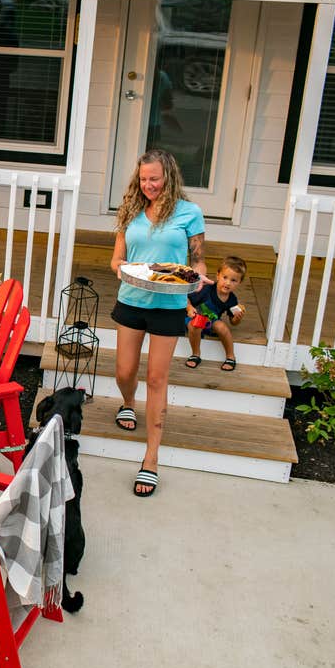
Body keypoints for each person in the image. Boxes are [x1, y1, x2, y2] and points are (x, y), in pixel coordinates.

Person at [110, 148, 208, 498]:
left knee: (156, 378)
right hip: (132, 298)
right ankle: (127, 402)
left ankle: (151, 457)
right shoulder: (130, 210)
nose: (148, 185)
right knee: (124, 372)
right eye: (143, 178)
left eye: (155, 178)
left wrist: (198, 280)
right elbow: (116, 260)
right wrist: (125, 270)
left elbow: (198, 262)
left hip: (168, 304)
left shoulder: (189, 213)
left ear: (169, 177)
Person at [185, 256, 247, 372]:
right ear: (218, 275)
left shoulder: (232, 299)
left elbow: (233, 322)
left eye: (233, 280)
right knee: (196, 324)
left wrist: (237, 318)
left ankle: (230, 356)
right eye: (225, 277)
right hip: (193, 318)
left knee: (222, 327)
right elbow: (186, 298)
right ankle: (196, 354)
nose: (228, 283)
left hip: (209, 322)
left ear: (239, 282)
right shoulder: (206, 289)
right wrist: (189, 307)